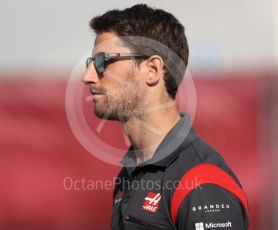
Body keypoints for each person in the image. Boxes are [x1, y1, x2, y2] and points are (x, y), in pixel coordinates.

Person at [82, 4, 249, 230]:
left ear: (152, 69)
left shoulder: (202, 182)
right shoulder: (129, 173)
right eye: (90, 63)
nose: (88, 76)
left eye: (102, 62)